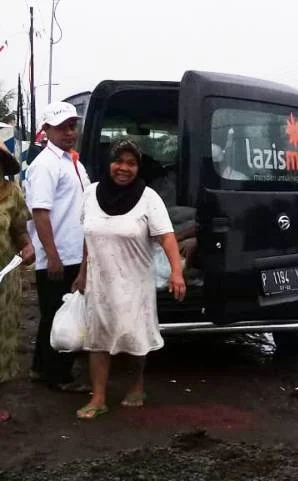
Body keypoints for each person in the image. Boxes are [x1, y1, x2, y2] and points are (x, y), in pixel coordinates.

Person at [73, 139, 185, 420]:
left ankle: (136, 386)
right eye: (118, 161)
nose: (124, 168)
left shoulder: (149, 198)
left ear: (138, 167)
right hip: (100, 281)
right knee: (97, 339)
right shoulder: (90, 194)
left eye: (131, 163)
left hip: (135, 282)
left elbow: (167, 237)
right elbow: (89, 237)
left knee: (134, 336)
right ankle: (98, 397)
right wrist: (82, 272)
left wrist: (177, 271)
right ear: (108, 163)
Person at [24, 102, 91, 392]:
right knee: (59, 315)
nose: (69, 132)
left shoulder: (72, 161)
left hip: (73, 252)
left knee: (53, 313)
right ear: (46, 130)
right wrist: (51, 256)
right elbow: (40, 212)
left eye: (72, 126)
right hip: (59, 254)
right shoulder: (45, 165)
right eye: (62, 127)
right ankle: (59, 375)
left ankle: (41, 368)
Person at [0, 145, 35, 423]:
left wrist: (27, 247)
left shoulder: (12, 193)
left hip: (4, 282)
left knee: (3, 338)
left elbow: (20, 230)